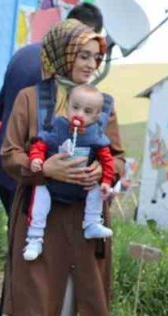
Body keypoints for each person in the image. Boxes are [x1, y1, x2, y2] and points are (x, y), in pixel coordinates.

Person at [0, 20, 122, 316]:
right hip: (39, 216)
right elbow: (10, 155)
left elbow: (117, 155)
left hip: (82, 220)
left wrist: (101, 171)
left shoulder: (102, 104)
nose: (90, 64)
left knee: (68, 293)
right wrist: (46, 169)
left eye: (96, 57)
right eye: (83, 55)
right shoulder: (31, 99)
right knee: (31, 291)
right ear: (62, 53)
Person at [0, 3, 105, 316]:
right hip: (38, 174)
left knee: (22, 247)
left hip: (5, 170)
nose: (89, 62)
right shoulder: (62, 76)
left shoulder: (25, 53)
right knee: (39, 254)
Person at [24, 83, 117, 260]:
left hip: (81, 186)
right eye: (75, 107)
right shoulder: (58, 127)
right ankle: (34, 238)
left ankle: (91, 223)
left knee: (96, 190)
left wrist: (105, 180)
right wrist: (37, 160)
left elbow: (107, 159)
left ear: (97, 116)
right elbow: (40, 144)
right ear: (67, 106)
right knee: (39, 195)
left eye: (87, 112)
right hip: (52, 183)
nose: (79, 114)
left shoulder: (96, 135)